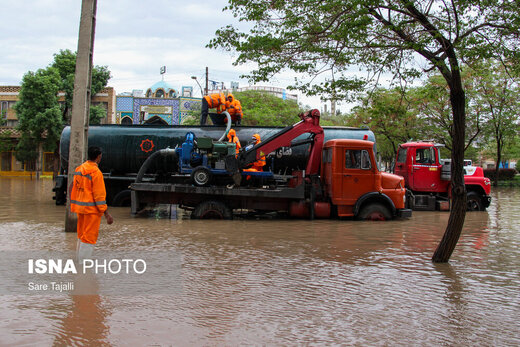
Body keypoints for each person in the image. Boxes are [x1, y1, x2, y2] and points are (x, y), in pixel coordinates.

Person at [70, 146, 113, 262]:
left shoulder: (80, 169)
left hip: (80, 209)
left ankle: (79, 264)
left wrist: (71, 203)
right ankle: (84, 267)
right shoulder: (96, 173)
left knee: (81, 235)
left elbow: (72, 187)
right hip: (92, 211)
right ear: (99, 157)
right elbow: (99, 196)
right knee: (89, 238)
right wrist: (107, 214)